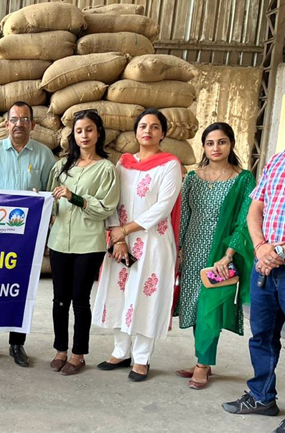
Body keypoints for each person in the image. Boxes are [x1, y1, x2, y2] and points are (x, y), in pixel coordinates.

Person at [222, 96, 285, 433]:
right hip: (266, 265)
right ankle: (261, 396)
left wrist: (282, 249)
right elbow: (256, 207)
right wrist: (261, 247)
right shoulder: (277, 161)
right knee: (262, 336)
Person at [91, 108, 182, 382]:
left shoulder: (170, 165)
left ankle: (142, 358)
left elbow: (163, 207)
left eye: (155, 127)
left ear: (162, 134)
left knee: (145, 297)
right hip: (120, 242)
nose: (148, 131)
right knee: (119, 293)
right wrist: (117, 236)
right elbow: (112, 200)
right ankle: (120, 351)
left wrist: (125, 230)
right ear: (136, 131)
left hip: (153, 241)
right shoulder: (124, 163)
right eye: (143, 126)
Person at [0, 101, 57, 368]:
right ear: (6, 124)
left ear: (33, 124)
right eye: (14, 119)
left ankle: (17, 343)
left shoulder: (44, 155)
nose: (19, 124)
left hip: (27, 236)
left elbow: (51, 194)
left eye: (25, 119)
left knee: (23, 288)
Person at [174, 123, 255, 390]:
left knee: (211, 307)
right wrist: (178, 251)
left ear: (231, 144)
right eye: (210, 143)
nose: (216, 148)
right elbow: (184, 216)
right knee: (195, 306)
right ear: (204, 147)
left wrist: (229, 255)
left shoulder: (243, 179)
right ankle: (203, 358)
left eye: (222, 142)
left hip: (221, 255)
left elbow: (245, 220)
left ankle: (202, 365)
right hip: (192, 251)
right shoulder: (193, 178)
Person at [46, 110, 119, 376]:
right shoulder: (62, 166)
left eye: (89, 129)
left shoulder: (106, 169)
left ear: (98, 133)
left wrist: (74, 197)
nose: (84, 135)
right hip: (59, 242)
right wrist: (43, 200)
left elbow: (105, 208)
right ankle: (60, 350)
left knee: (79, 300)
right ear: (73, 136)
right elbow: (53, 202)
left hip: (88, 244)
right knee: (59, 299)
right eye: (79, 131)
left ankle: (78, 354)